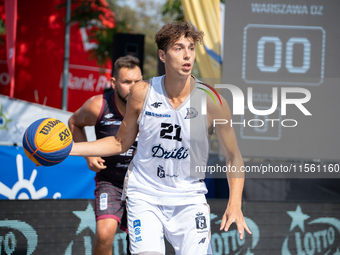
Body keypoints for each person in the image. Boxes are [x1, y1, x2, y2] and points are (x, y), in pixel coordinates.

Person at [70, 21, 251, 255]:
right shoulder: (142, 92)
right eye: (178, 48)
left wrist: (235, 203)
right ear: (162, 55)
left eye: (191, 48)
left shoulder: (212, 101)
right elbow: (119, 143)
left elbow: (234, 157)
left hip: (189, 199)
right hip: (145, 196)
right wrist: (71, 149)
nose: (187, 55)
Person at [68, 55, 142, 255]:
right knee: (104, 234)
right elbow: (74, 122)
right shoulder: (97, 105)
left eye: (138, 81)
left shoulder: (152, 107)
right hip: (111, 182)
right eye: (127, 82)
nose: (133, 87)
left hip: (143, 185)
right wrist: (88, 155)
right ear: (114, 83)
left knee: (140, 245)